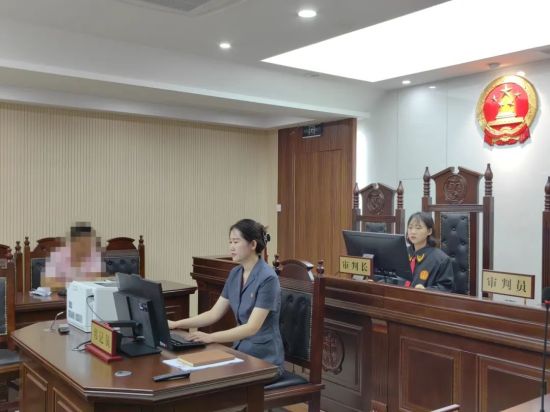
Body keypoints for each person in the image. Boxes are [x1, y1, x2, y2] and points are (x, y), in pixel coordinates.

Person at [168, 219, 284, 376]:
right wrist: (176, 324)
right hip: (241, 353)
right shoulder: (235, 274)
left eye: (236, 242)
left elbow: (252, 327)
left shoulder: (268, 278)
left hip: (265, 359)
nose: (231, 247)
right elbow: (213, 314)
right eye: (230, 242)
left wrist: (210, 337)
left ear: (253, 244)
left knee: (211, 379)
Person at [44, 222, 104, 290]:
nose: (88, 248)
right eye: (83, 244)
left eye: (90, 244)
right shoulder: (56, 256)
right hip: (62, 295)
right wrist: (74, 286)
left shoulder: (94, 257)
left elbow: (97, 282)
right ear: (72, 243)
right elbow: (49, 283)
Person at [406, 212, 454, 292]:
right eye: (410, 227)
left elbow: (446, 288)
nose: (413, 231)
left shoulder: (441, 259)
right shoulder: (402, 253)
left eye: (418, 228)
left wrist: (426, 290)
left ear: (429, 231)